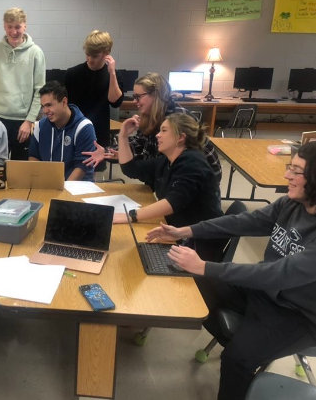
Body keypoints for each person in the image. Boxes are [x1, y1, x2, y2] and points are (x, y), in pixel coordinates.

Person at [146, 142, 316, 400]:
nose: (286, 176)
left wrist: (206, 266)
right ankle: (244, 335)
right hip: (265, 293)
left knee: (237, 359)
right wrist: (186, 230)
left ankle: (244, 344)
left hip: (299, 314)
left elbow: (278, 274)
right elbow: (243, 221)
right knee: (193, 282)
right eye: (289, 167)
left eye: (296, 170)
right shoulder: (291, 204)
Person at [114, 112, 226, 262]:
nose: (158, 135)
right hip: (176, 233)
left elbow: (173, 202)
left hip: (198, 245)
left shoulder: (192, 163)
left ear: (181, 137)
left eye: (164, 131)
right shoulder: (167, 161)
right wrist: (123, 136)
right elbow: (131, 169)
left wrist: (131, 215)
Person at [84, 72, 221, 185]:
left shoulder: (176, 120)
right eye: (134, 96)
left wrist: (125, 157)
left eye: (138, 97)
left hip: (198, 182)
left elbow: (159, 167)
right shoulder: (150, 116)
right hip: (172, 180)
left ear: (155, 95)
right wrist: (109, 152)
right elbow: (139, 146)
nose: (134, 101)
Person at [0, 7, 45, 160]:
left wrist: (29, 121)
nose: (13, 31)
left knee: (18, 169)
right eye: (9, 27)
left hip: (23, 121)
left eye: (17, 27)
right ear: (4, 26)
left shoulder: (36, 52)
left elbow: (39, 90)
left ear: (24, 26)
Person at [64, 30, 124, 157]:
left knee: (92, 173)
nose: (90, 59)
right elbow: (64, 104)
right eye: (88, 54)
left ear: (106, 54)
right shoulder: (72, 73)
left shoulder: (113, 75)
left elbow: (115, 102)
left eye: (95, 56)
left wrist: (112, 73)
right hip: (74, 129)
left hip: (98, 132)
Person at [28, 80, 96, 182]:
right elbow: (34, 157)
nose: (45, 111)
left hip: (78, 188)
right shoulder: (40, 126)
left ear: (64, 102)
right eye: (43, 106)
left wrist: (63, 190)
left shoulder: (84, 127)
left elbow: (81, 167)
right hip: (49, 186)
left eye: (49, 105)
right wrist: (40, 182)